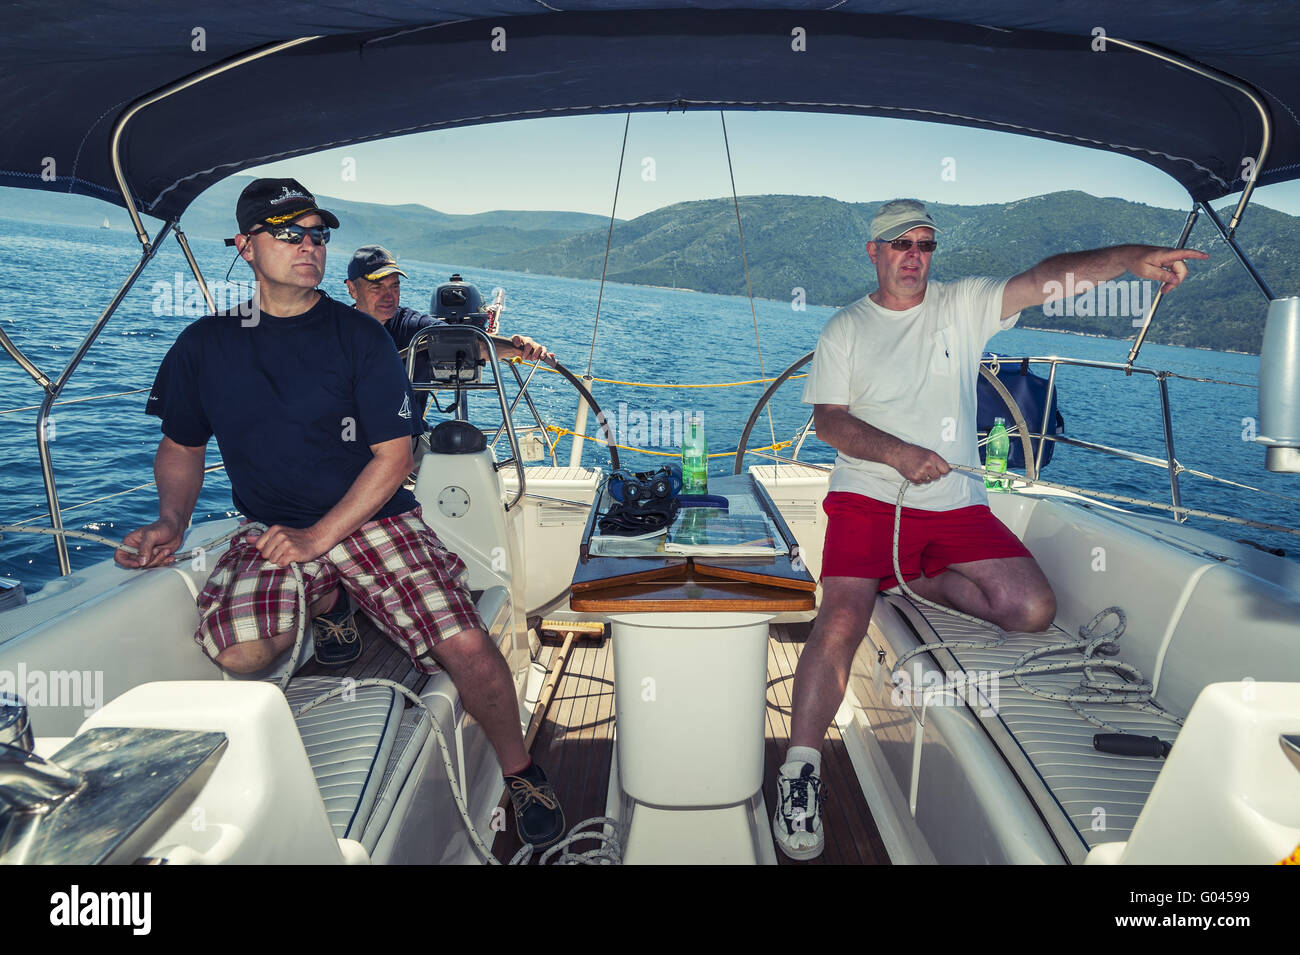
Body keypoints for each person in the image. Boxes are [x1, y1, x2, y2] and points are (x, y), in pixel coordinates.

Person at [115, 178, 566, 849]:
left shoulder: (360, 338)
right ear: (243, 245)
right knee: (241, 654)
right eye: (287, 231)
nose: (308, 245)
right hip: (274, 524)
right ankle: (329, 602)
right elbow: (181, 446)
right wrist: (172, 523)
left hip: (372, 517)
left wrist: (318, 539)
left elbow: (390, 458)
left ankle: (521, 768)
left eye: (317, 233)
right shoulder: (205, 346)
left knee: (466, 645)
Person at [774, 198, 1210, 861]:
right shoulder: (847, 328)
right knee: (840, 619)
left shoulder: (964, 304)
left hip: (956, 504)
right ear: (874, 251)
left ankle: (912, 574)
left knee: (1032, 609)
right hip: (868, 499)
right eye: (900, 244)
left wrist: (1129, 260)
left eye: (925, 244)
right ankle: (799, 770)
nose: (914, 256)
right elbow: (830, 422)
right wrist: (896, 453)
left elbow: (1047, 277)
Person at [343, 245, 553, 421]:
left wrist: (519, 346)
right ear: (352, 289)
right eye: (377, 287)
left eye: (395, 286)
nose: (389, 296)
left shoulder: (413, 326)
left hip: (404, 439)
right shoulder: (333, 329)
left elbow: (475, 345)